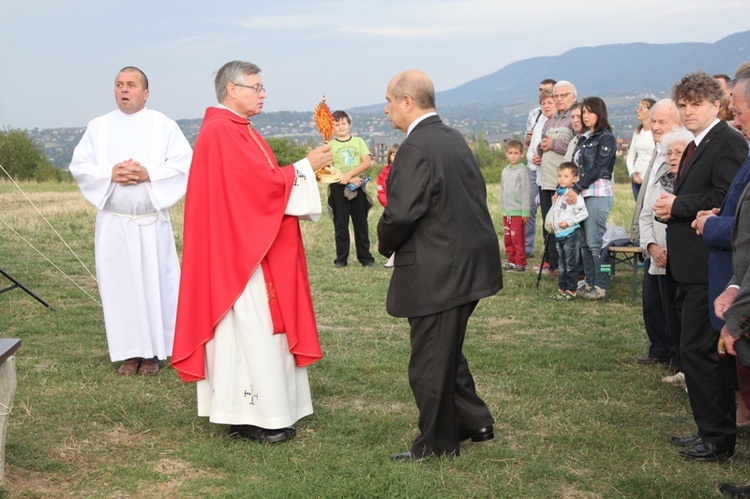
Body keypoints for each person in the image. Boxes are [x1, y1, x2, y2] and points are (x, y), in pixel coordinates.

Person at [171, 60, 333, 444]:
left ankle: (260, 411)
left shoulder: (237, 130)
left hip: (248, 248)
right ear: (232, 89)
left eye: (262, 88)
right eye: (256, 87)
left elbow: (259, 185)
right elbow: (257, 191)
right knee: (250, 331)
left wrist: (300, 171)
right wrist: (305, 167)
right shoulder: (221, 133)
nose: (262, 94)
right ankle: (254, 415)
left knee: (255, 331)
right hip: (238, 257)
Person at [378, 69, 502, 462]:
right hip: (468, 263)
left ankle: (436, 445)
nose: (385, 110)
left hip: (440, 269)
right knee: (446, 350)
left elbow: (400, 215)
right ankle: (473, 420)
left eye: (389, 101)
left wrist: (384, 242)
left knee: (430, 360)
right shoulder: (451, 137)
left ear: (407, 102)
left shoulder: (416, 147)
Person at [69, 66, 192, 376]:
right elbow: (80, 166)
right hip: (115, 222)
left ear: (145, 93)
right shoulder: (98, 127)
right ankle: (128, 353)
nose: (124, 90)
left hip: (149, 223)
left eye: (132, 85)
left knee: (155, 285)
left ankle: (153, 353)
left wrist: (147, 173)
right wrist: (110, 173)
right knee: (120, 287)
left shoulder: (163, 125)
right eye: (119, 84)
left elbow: (184, 165)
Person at [653, 71, 747, 461]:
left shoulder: (724, 142)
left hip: (708, 264)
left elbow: (728, 199)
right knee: (693, 350)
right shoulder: (696, 143)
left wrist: (680, 207)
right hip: (689, 262)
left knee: (700, 351)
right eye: (684, 104)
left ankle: (717, 437)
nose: (688, 111)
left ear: (717, 105)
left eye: (696, 104)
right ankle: (709, 431)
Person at [631, 99, 684, 370]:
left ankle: (676, 356)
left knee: (672, 306)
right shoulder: (656, 152)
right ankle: (660, 348)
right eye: (653, 121)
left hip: (673, 245)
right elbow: (647, 205)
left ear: (678, 124)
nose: (655, 126)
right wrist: (649, 243)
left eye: (662, 121)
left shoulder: (678, 156)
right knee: (652, 302)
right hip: (654, 242)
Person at [568, 97, 616, 301]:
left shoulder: (606, 138)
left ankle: (600, 285)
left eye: (589, 112)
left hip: (597, 192)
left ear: (599, 113)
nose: (585, 116)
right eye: (583, 113)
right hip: (580, 193)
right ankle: (589, 281)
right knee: (584, 242)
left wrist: (577, 187)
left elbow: (599, 168)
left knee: (595, 241)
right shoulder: (584, 138)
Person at [537, 81, 577, 276]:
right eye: (556, 96)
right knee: (549, 223)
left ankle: (568, 268)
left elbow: (574, 146)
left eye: (563, 95)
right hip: (545, 179)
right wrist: (541, 148)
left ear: (573, 97)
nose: (559, 99)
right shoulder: (550, 120)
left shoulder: (575, 119)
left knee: (564, 225)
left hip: (562, 181)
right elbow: (542, 144)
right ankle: (553, 265)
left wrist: (554, 144)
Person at [328, 110, 375, 268]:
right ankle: (341, 258)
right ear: (332, 127)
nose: (340, 127)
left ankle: (365, 257)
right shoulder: (329, 145)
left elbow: (366, 162)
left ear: (349, 125)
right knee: (341, 224)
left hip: (357, 185)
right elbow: (327, 168)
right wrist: (343, 176)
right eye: (337, 124)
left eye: (343, 123)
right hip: (337, 186)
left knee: (360, 223)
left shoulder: (359, 142)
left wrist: (350, 175)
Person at [545, 162, 588, 301]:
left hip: (570, 234)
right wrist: (552, 222)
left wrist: (569, 222)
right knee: (561, 264)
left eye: (566, 176)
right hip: (559, 235)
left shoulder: (573, 196)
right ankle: (562, 289)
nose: (562, 179)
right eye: (560, 176)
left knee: (570, 264)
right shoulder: (559, 194)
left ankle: (571, 290)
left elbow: (583, 213)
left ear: (575, 179)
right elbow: (557, 212)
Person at [524, 79, 556, 257]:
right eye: (540, 92)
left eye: (547, 93)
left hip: (550, 173)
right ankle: (533, 250)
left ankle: (551, 255)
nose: (544, 102)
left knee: (551, 215)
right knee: (531, 209)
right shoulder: (535, 115)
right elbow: (530, 144)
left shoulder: (559, 119)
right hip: (533, 168)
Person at [501, 139, 530, 271]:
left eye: (516, 153)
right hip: (507, 212)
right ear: (506, 154)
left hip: (518, 211)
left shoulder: (522, 171)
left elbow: (525, 192)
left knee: (517, 238)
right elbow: (502, 190)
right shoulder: (505, 171)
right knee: (508, 238)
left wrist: (525, 212)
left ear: (521, 154)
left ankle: (520, 262)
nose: (513, 156)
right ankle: (511, 260)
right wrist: (503, 209)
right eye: (510, 153)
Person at [626, 98, 656, 200]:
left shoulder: (655, 133)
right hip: (636, 178)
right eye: (638, 108)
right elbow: (630, 156)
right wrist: (632, 174)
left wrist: (644, 177)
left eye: (641, 109)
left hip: (650, 179)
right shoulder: (638, 132)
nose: (638, 111)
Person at [377, 143, 399, 268]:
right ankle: (390, 256)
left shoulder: (406, 171)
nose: (395, 158)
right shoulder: (383, 174)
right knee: (387, 233)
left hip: (401, 207)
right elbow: (380, 191)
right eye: (393, 155)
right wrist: (387, 203)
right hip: (388, 208)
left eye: (397, 155)